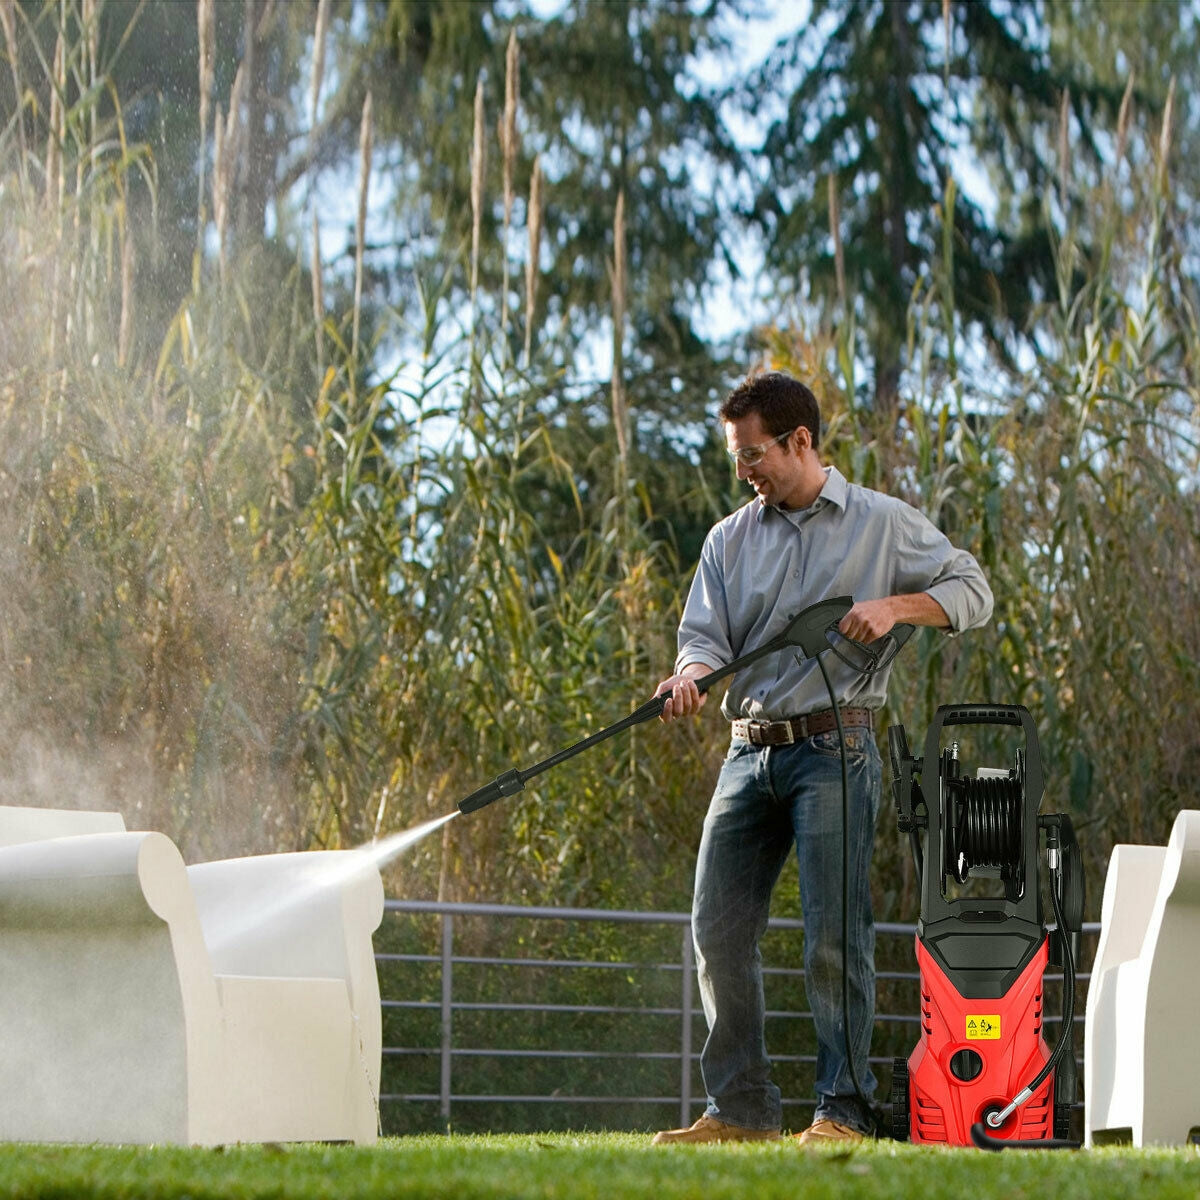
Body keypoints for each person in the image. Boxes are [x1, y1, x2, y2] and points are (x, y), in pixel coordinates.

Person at [650, 371, 993, 1146]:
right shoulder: (729, 539)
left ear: (799, 440)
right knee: (716, 931)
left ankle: (844, 1109)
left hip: (836, 749)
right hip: (748, 752)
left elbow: (973, 589)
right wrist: (689, 678)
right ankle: (741, 1110)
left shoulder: (882, 523)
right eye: (736, 456)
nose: (744, 470)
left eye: (753, 454)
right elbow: (704, 641)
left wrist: (897, 606)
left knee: (833, 938)